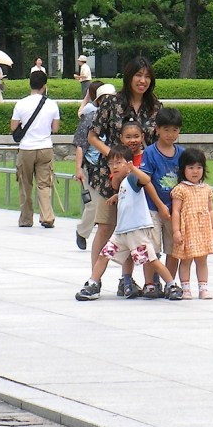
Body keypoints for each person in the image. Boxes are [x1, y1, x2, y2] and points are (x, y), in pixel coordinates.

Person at [87, 56, 161, 298]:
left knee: (137, 226)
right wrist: (116, 159)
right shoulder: (112, 103)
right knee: (107, 226)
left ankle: (127, 280)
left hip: (140, 177)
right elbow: (92, 136)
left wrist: (134, 168)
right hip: (110, 176)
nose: (142, 81)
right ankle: (94, 278)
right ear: (128, 77)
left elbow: (157, 143)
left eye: (147, 77)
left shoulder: (155, 107)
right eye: (138, 76)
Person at [75, 145, 183, 301]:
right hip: (121, 233)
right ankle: (92, 283)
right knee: (103, 255)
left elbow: (146, 180)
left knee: (152, 261)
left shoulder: (132, 178)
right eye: (111, 163)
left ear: (129, 163)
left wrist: (134, 169)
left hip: (136, 232)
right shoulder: (124, 183)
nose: (114, 166)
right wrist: (117, 197)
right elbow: (129, 196)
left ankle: (172, 284)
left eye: (118, 162)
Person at [140, 107, 185, 296]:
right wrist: (159, 205)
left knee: (174, 248)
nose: (170, 134)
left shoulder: (182, 154)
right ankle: (150, 283)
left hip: (175, 210)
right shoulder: (150, 153)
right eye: (166, 129)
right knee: (152, 249)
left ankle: (169, 282)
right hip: (152, 208)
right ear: (157, 129)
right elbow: (146, 180)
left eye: (175, 130)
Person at [10, 70, 60, 229]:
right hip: (45, 147)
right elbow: (56, 128)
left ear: (30, 84)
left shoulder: (21, 103)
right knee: (44, 184)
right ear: (44, 86)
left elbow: (13, 127)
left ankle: (26, 219)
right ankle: (47, 217)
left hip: (26, 148)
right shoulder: (52, 104)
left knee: (25, 184)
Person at [170, 148, 213, 300]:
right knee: (186, 260)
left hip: (203, 229)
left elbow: (211, 210)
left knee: (202, 260)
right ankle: (185, 288)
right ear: (183, 169)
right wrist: (176, 231)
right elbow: (176, 211)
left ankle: (203, 288)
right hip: (187, 229)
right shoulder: (180, 190)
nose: (195, 171)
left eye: (199, 167)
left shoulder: (207, 189)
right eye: (190, 167)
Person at [73, 80, 107, 254]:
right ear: (99, 100)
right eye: (104, 98)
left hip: (110, 168)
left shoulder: (118, 119)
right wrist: (78, 169)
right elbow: (81, 144)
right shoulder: (90, 117)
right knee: (92, 205)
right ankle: (82, 232)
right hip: (91, 166)